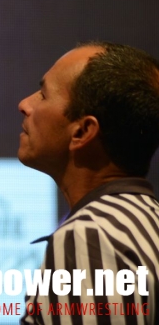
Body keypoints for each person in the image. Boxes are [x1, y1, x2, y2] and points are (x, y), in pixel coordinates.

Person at [18, 42, 159, 325]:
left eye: (43, 95)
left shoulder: (89, 236)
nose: (25, 104)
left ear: (82, 132)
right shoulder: (148, 222)